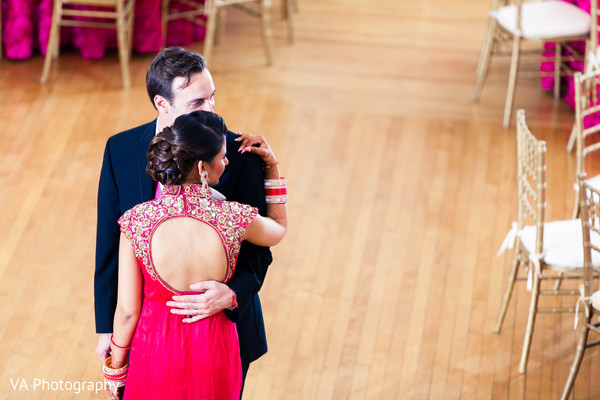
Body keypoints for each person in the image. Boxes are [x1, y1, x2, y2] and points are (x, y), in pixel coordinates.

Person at [94, 47, 274, 389]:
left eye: (212, 98)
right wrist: (107, 327)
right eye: (197, 103)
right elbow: (107, 247)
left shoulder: (239, 153)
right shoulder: (120, 149)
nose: (209, 110)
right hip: (149, 335)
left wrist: (232, 294)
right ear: (163, 104)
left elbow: (260, 250)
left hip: (226, 330)